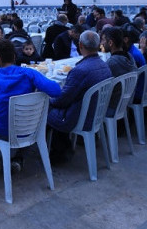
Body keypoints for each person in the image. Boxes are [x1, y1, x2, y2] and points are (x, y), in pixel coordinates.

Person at [0, 40, 61, 182]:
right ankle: (18, 160)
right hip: (28, 128)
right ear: (14, 57)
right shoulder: (29, 74)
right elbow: (56, 91)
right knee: (30, 124)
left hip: (2, 131)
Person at [47, 31, 113, 164]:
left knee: (45, 109)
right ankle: (60, 147)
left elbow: (62, 100)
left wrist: (47, 100)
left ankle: (57, 151)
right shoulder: (104, 65)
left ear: (80, 45)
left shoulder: (80, 70)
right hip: (96, 113)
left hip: (80, 116)